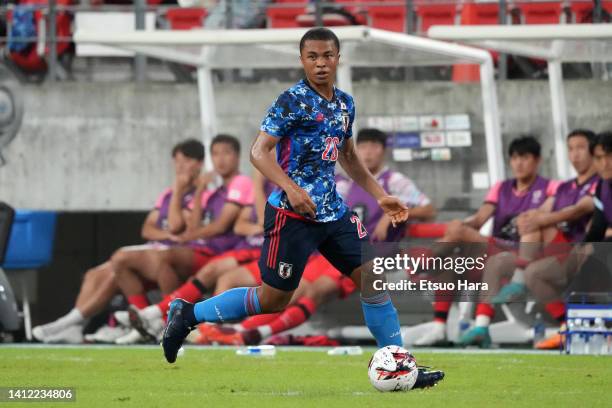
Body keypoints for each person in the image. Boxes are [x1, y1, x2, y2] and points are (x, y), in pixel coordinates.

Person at [161, 27, 443, 388]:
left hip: (333, 212)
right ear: (302, 60)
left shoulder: (345, 103)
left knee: (372, 278)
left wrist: (379, 194)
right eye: (313, 57)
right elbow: (258, 152)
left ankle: (403, 367)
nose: (321, 63)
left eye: (327, 55)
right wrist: (290, 189)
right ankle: (188, 313)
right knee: (273, 299)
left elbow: (348, 155)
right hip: (290, 215)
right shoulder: (290, 101)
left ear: (338, 58)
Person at [31, 139, 205, 344]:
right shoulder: (167, 195)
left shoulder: (200, 194)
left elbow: (176, 225)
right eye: (176, 162)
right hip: (155, 249)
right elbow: (148, 229)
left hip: (174, 254)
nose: (179, 167)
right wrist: (166, 234)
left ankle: (72, 321)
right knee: (94, 274)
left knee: (121, 260)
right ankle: (77, 326)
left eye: (185, 162)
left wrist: (177, 191)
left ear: (199, 163)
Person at [460, 130, 599, 348]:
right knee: (498, 263)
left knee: (534, 230)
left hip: (576, 251)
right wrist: (530, 217)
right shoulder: (564, 187)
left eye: (580, 148)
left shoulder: (599, 184)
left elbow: (579, 210)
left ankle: (522, 285)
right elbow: (539, 212)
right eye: (570, 149)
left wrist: (540, 218)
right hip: (539, 250)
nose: (575, 154)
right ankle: (481, 326)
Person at [415, 136, 557, 347]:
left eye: (524, 158)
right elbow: (480, 219)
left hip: (520, 254)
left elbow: (545, 217)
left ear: (537, 161)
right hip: (494, 249)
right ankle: (439, 328)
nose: (518, 163)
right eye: (515, 158)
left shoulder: (550, 187)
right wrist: (461, 227)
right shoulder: (501, 188)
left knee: (457, 234)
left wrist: (459, 231)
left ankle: (426, 262)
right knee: (451, 258)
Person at [114, 134, 254, 343]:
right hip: (202, 250)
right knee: (127, 261)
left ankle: (164, 319)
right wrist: (198, 193)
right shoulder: (214, 190)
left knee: (164, 258)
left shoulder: (241, 182)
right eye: (215, 154)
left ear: (237, 156)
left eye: (226, 153)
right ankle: (154, 321)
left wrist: (186, 236)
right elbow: (192, 225)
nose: (221, 159)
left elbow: (220, 226)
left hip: (219, 252)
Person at [523, 131, 612, 349]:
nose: (605, 163)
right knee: (586, 268)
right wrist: (583, 248)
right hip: (597, 249)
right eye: (599, 158)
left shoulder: (593, 186)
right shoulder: (602, 186)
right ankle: (576, 327)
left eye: (609, 156)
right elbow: (599, 226)